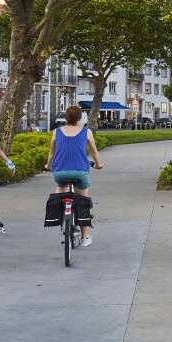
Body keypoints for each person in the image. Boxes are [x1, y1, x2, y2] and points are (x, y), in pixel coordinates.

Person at [45, 105, 103, 245]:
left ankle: (60, 219)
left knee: (60, 193)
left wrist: (48, 166)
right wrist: (98, 165)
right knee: (83, 201)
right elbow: (94, 152)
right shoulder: (86, 132)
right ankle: (85, 237)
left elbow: (52, 153)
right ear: (80, 118)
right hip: (80, 172)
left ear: (66, 117)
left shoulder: (56, 132)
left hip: (60, 172)